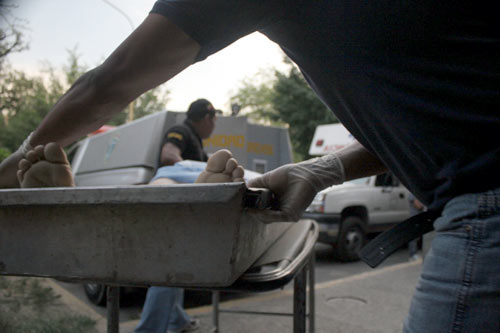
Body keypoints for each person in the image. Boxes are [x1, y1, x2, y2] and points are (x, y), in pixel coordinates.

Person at [1, 1, 498, 332]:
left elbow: (111, 80)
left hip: (485, 202)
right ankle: (190, 192)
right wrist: (320, 170)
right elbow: (446, 115)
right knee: (174, 177)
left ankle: (191, 195)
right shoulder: (182, 134)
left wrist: (13, 166)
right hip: (476, 193)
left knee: (180, 183)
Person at [135, 98, 219, 333]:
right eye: (214, 120)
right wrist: (195, 172)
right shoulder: (180, 131)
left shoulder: (197, 142)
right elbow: (169, 156)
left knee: (177, 266)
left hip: (181, 214)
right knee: (168, 270)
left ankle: (177, 321)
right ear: (206, 118)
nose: (214, 126)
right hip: (171, 212)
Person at [407, 193, 425, 262]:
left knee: (417, 237)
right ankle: (412, 255)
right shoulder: (413, 193)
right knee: (413, 237)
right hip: (415, 218)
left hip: (419, 217)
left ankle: (414, 254)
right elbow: (418, 205)